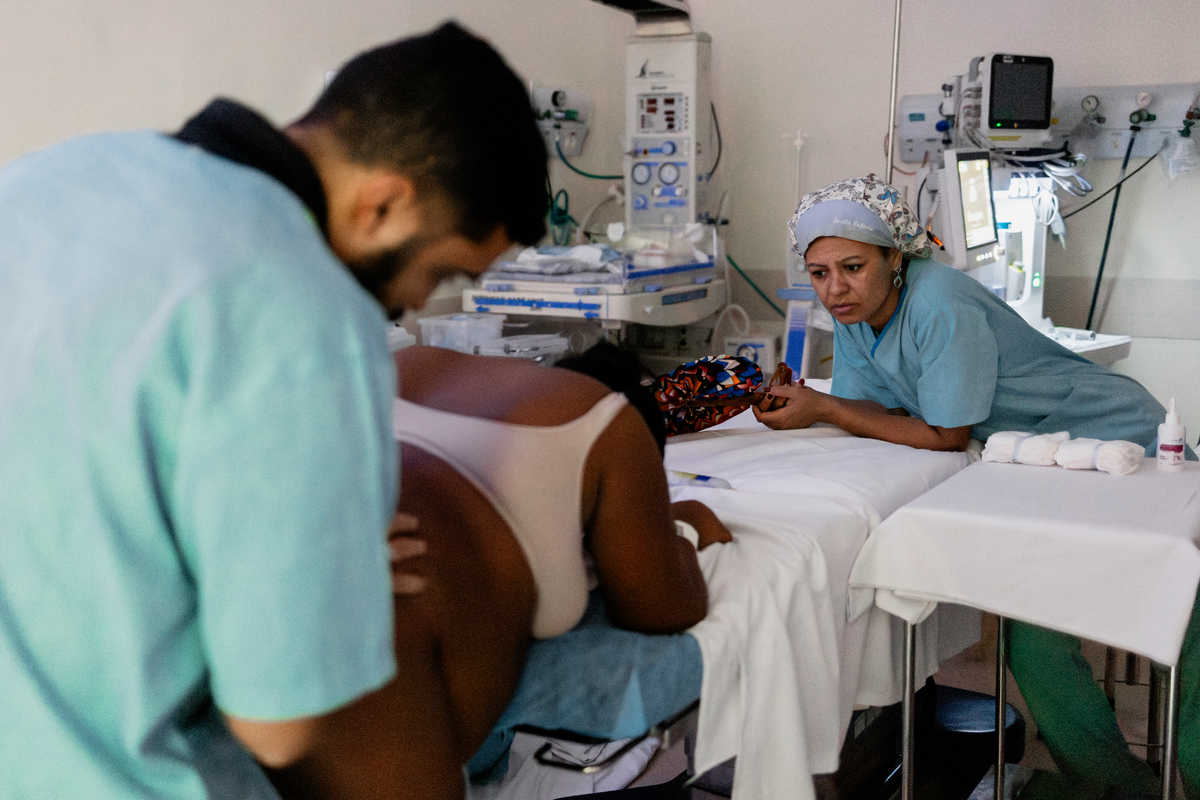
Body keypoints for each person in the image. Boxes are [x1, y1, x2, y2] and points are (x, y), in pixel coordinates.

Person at [0, 22, 546, 800]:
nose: (420, 303)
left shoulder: (55, 177)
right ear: (385, 204)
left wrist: (290, 552)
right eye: (442, 273)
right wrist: (325, 585)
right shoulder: (307, 313)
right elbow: (280, 722)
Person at [756, 174, 1198, 798]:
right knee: (1034, 638)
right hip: (1035, 462)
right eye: (819, 272)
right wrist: (808, 406)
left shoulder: (939, 301)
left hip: (1125, 444)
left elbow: (942, 432)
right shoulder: (856, 316)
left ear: (895, 257)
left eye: (852, 267)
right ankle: (1114, 787)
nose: (835, 288)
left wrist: (821, 409)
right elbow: (865, 410)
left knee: (1188, 636)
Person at [388, 341, 731, 786]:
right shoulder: (610, 427)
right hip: (405, 743)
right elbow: (667, 609)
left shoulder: (402, 364)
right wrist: (676, 529)